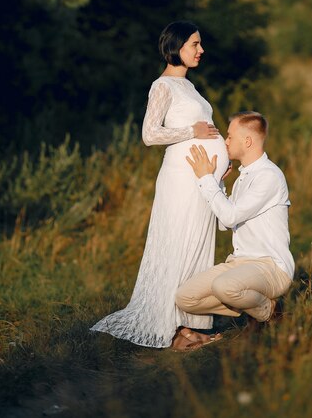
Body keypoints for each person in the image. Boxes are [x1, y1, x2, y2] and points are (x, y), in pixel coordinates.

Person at [90, 21, 229, 350]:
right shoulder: (162, 85)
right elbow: (150, 134)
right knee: (177, 245)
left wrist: (218, 166)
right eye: (195, 44)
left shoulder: (190, 87)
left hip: (201, 177)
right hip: (181, 179)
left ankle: (189, 324)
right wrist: (192, 133)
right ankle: (174, 331)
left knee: (196, 246)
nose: (201, 50)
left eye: (200, 44)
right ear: (176, 47)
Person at [175, 111, 294, 337]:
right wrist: (218, 183)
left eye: (230, 136)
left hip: (271, 267)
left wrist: (205, 179)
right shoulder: (242, 178)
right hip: (240, 264)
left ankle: (271, 312)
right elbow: (225, 222)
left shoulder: (269, 176)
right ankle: (255, 309)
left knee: (224, 286)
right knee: (185, 297)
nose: (225, 141)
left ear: (247, 141)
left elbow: (230, 217)